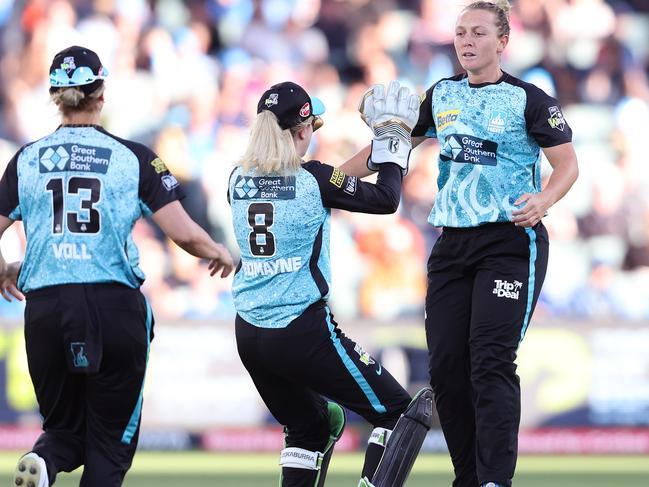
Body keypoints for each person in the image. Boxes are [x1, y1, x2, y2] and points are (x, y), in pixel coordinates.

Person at [343, 1, 579, 486]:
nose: (466, 41)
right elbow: (392, 146)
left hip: (510, 240)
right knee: (447, 370)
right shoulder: (442, 95)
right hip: (452, 245)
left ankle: (494, 481)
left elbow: (567, 165)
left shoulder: (529, 100)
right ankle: (468, 477)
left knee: (490, 359)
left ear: (502, 42)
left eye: (477, 33)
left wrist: (545, 199)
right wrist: (320, 177)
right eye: (460, 32)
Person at [0, 45, 234, 487]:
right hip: (112, 305)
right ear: (101, 93)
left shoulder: (25, 159)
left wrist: (3, 267)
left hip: (46, 306)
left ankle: (45, 465)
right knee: (109, 444)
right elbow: (184, 235)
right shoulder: (134, 157)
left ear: (54, 95)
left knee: (63, 430)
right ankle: (48, 464)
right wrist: (218, 251)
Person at [228, 80, 433, 487]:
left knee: (309, 430)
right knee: (399, 413)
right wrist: (393, 144)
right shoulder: (312, 181)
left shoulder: (237, 178)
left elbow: (328, 181)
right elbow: (385, 199)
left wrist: (393, 148)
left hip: (249, 334)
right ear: (303, 131)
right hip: (301, 330)